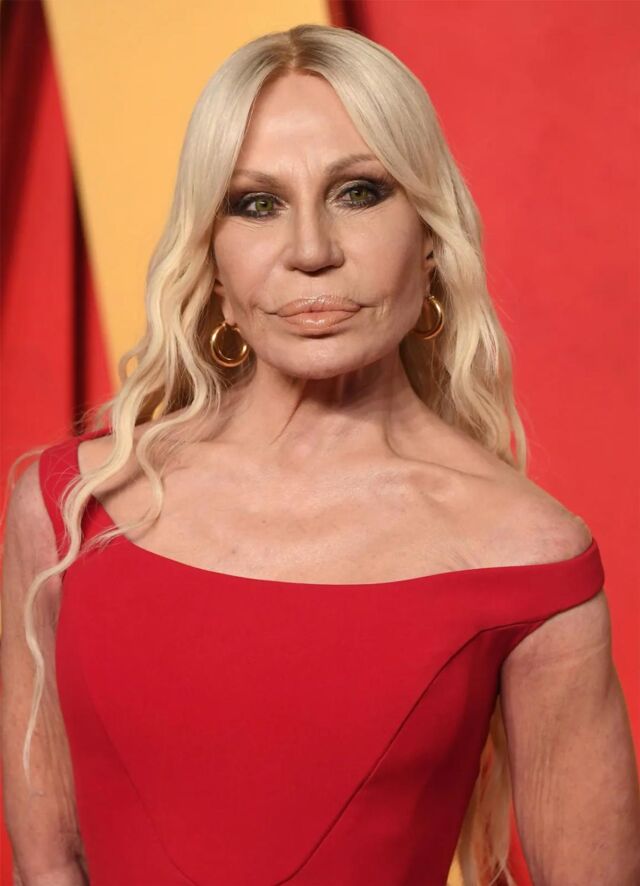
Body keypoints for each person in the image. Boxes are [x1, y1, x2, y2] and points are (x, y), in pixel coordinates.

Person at [2, 22, 639, 886]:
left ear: (431, 235)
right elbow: (46, 866)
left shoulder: (529, 557)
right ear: (211, 257)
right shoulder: (71, 509)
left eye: (359, 192)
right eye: (256, 203)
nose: (311, 251)